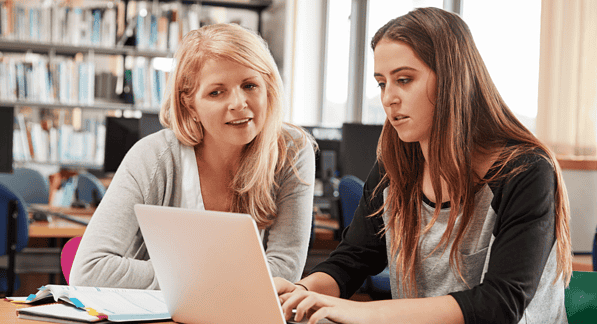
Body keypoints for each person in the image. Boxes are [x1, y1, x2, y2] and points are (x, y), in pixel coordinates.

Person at [276, 7, 572, 324]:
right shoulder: (394, 169)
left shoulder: (525, 171)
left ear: (452, 80)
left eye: (404, 80)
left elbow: (499, 305)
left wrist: (360, 311)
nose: (388, 97)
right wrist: (300, 293)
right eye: (381, 83)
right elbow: (352, 259)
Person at [69, 23, 316, 288]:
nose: (239, 103)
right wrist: (209, 278)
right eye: (216, 92)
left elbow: (284, 271)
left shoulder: (291, 151)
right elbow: (89, 271)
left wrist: (184, 276)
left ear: (267, 88)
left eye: (250, 85)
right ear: (190, 103)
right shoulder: (153, 157)